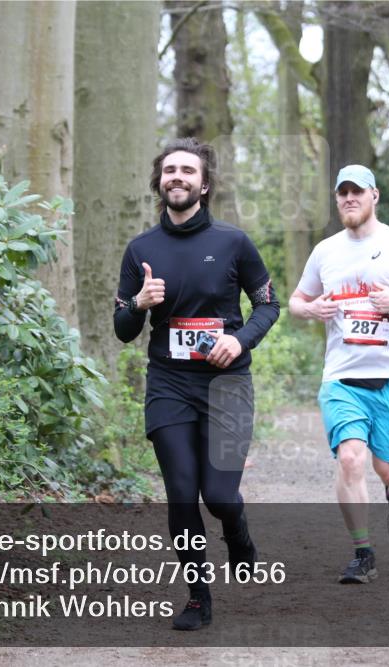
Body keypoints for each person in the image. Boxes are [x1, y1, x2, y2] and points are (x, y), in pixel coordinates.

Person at [113, 138, 280, 631]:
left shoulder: (234, 242)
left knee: (220, 496)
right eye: (170, 170)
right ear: (159, 182)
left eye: (188, 170)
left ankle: (237, 529)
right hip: (169, 384)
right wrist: (139, 304)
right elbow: (123, 329)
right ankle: (197, 597)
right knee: (183, 493)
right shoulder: (141, 250)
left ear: (204, 185)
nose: (178, 177)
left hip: (227, 384)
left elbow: (267, 304)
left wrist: (240, 340)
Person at [289, 165, 389, 584]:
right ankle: (363, 553)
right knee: (350, 458)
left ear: (374, 195)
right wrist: (311, 308)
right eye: (342, 193)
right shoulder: (325, 251)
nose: (349, 199)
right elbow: (296, 301)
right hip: (342, 377)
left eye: (357, 191)